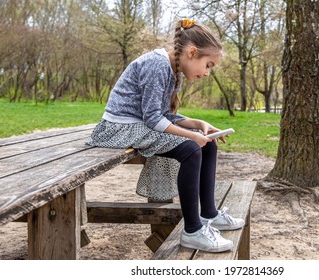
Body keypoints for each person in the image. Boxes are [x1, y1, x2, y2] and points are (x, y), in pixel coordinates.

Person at [87, 18, 244, 253]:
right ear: (192, 52)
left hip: (139, 123)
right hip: (119, 127)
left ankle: (209, 213)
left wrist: (198, 124)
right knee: (192, 149)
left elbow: (164, 115)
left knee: (207, 144)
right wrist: (191, 137)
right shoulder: (157, 65)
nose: (208, 73)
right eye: (208, 65)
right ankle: (192, 231)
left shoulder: (175, 70)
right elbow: (153, 119)